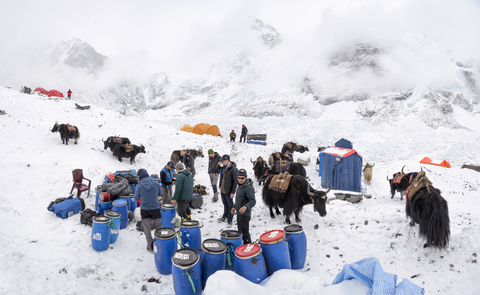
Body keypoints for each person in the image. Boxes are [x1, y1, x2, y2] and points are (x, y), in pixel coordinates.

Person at [134, 168, 163, 253]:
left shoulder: (139, 186)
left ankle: (150, 246)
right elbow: (160, 194)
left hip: (144, 210)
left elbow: (136, 197)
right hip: (155, 209)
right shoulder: (156, 183)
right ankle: (160, 244)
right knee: (159, 227)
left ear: (140, 176)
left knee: (147, 228)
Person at [231, 169, 256, 244]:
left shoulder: (248, 188)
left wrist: (246, 207)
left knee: (245, 233)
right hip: (239, 213)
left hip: (245, 214)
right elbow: (239, 198)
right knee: (240, 232)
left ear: (246, 178)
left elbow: (253, 201)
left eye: (242, 178)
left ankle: (248, 246)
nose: (240, 179)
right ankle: (243, 246)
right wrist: (234, 207)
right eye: (238, 178)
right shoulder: (240, 186)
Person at [218, 154, 238, 228]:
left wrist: (233, 192)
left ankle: (230, 219)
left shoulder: (233, 169)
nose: (222, 162)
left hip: (228, 190)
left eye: (223, 161)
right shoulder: (224, 167)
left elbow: (235, 182)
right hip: (223, 189)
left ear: (227, 160)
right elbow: (218, 171)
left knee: (230, 205)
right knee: (225, 203)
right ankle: (224, 216)